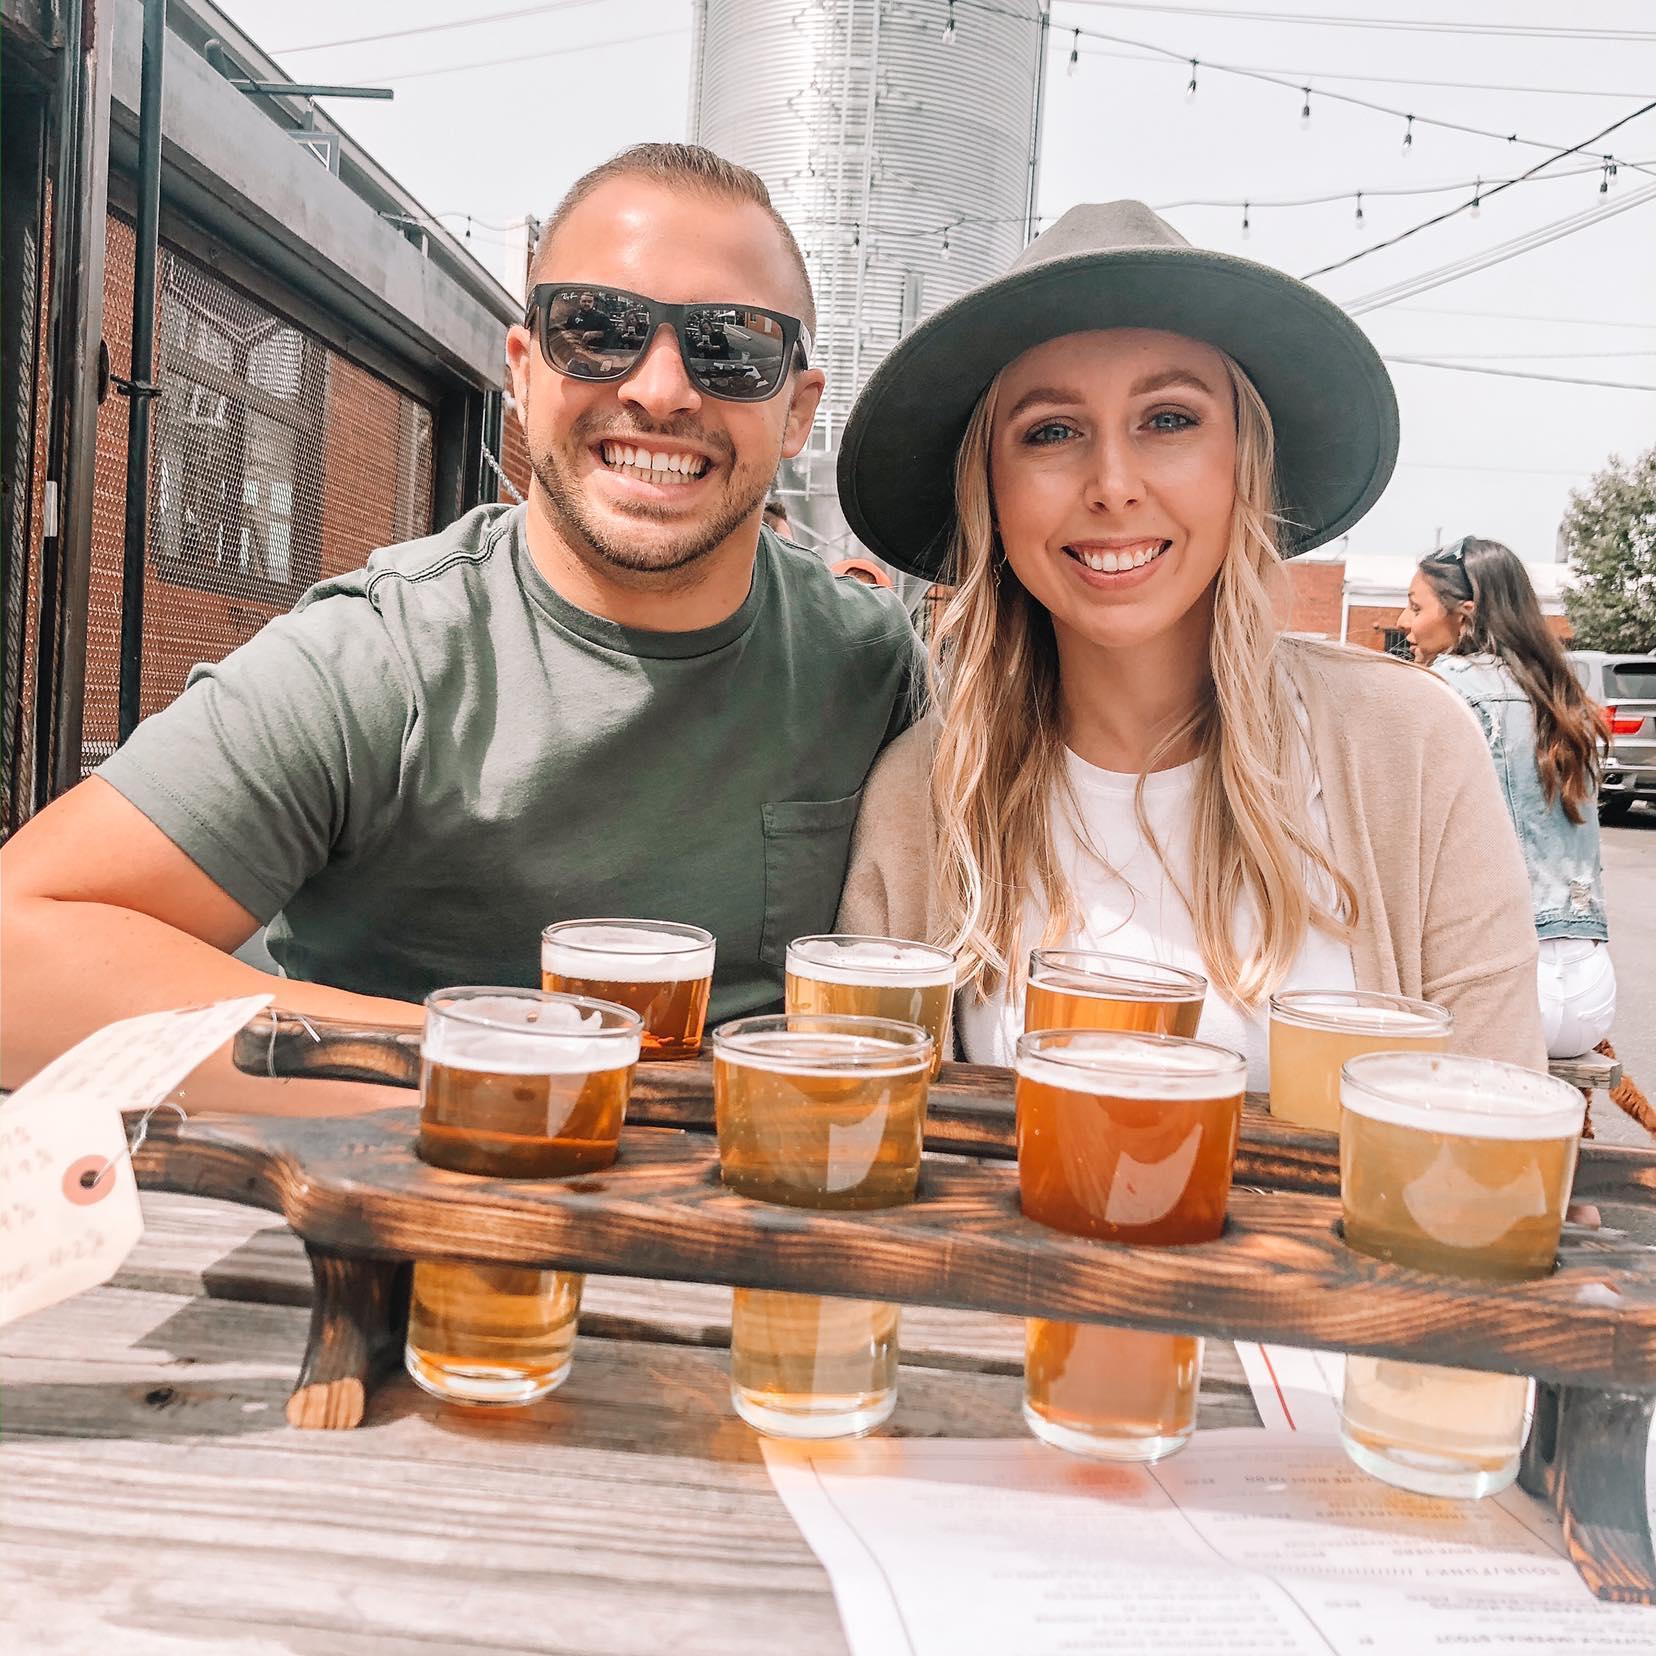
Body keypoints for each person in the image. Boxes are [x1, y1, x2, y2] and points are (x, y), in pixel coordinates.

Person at [2, 143, 920, 1108]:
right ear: (522, 373)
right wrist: (517, 1068)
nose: (659, 389)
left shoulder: (869, 663)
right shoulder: (384, 658)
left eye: (732, 346)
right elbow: (22, 954)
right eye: (596, 328)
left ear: (798, 412)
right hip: (413, 1219)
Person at [833, 201, 1544, 1081]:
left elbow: (1495, 1132)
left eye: (1169, 418)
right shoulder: (923, 791)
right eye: (1051, 432)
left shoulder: (1413, 747)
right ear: (991, 491)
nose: (1114, 485)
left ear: (1245, 463)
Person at [1401, 537, 1616, 1060]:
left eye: (1414, 607)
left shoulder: (1445, 687)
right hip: (1591, 993)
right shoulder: (1562, 692)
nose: (1404, 622)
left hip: (1509, 986)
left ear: (1464, 615)